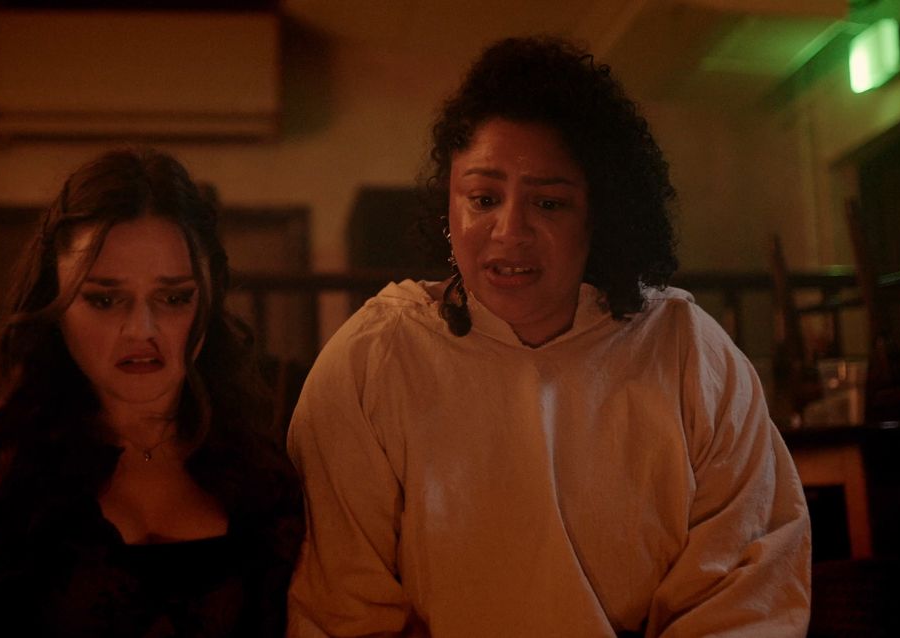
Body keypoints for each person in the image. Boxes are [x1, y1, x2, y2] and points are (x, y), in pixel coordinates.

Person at [286, 37, 810, 637]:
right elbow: (341, 609)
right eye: (484, 199)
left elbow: (744, 595)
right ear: (449, 208)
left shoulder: (687, 351)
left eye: (550, 203)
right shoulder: (372, 360)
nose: (510, 230)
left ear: (599, 216)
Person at [0, 148, 303, 637]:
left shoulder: (263, 473)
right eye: (105, 299)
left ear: (208, 299)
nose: (141, 329)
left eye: (174, 297)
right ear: (55, 304)